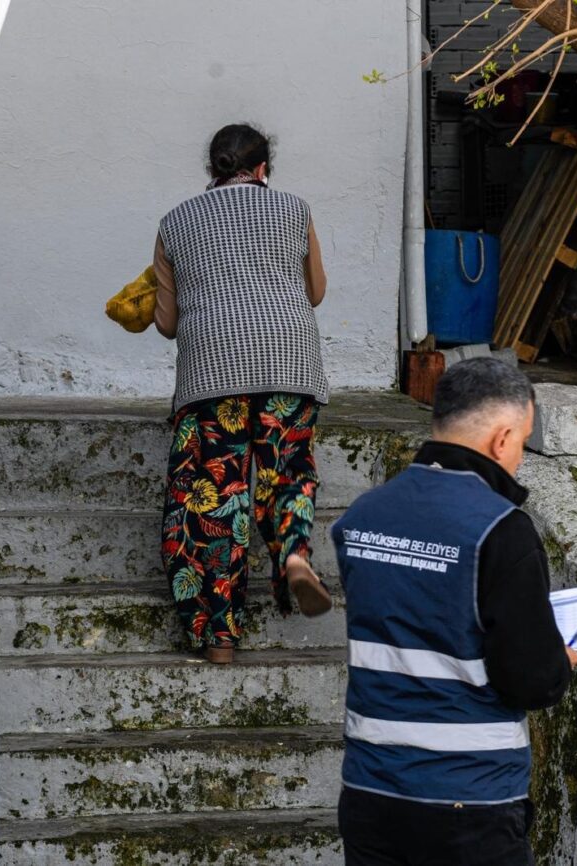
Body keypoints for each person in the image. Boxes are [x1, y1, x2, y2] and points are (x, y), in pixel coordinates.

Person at [331, 358, 577, 865]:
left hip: (370, 792)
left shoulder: (362, 517)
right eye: (522, 443)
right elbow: (530, 681)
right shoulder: (501, 530)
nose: (519, 460)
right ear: (502, 439)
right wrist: (562, 660)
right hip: (470, 800)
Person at [154, 123, 333, 665]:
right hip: (289, 362)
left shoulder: (175, 221)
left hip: (212, 371)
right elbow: (315, 292)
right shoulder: (294, 209)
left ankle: (220, 638)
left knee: (213, 498)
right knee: (287, 471)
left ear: (212, 169)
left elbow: (167, 323)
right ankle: (294, 556)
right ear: (262, 169)